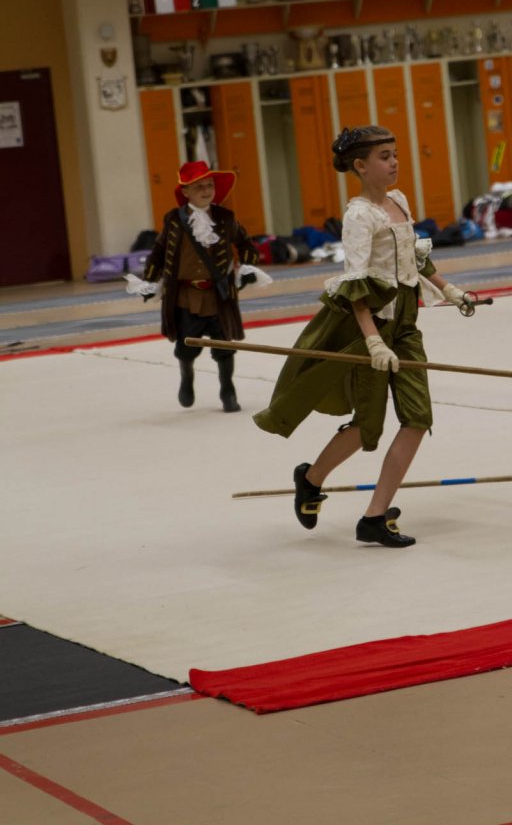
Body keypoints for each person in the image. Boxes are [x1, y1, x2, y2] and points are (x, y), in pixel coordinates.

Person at [253, 126, 472, 547]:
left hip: (406, 323)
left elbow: (413, 257)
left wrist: (450, 290)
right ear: (360, 166)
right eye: (384, 157)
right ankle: (310, 479)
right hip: (372, 323)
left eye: (395, 154)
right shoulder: (358, 216)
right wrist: (373, 340)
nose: (394, 162)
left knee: (418, 418)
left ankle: (374, 517)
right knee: (368, 425)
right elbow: (355, 285)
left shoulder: (399, 200)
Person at [128, 161, 259, 412]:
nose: (206, 191)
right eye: (199, 187)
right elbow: (158, 252)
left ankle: (228, 390)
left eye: (209, 185)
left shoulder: (225, 218)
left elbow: (245, 243)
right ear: (185, 191)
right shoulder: (174, 220)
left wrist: (249, 268)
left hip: (219, 294)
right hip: (186, 297)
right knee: (186, 348)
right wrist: (149, 281)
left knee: (225, 348)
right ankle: (186, 378)